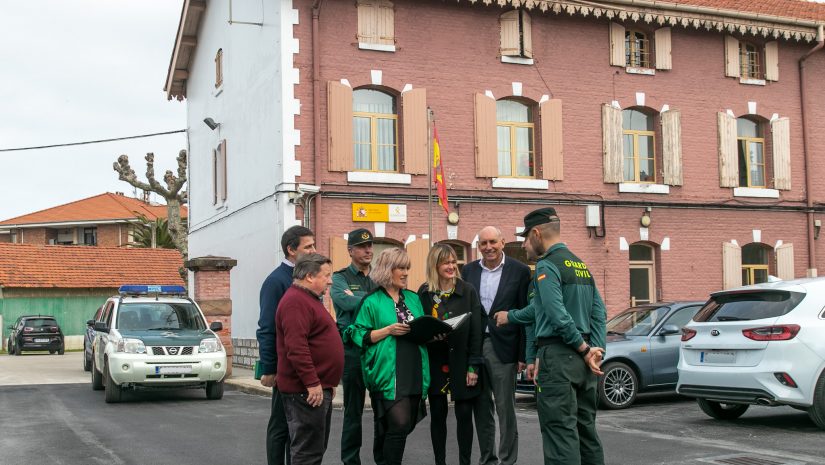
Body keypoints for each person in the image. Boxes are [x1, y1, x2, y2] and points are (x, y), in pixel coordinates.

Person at [495, 207, 607, 465]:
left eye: (525, 238)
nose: (524, 245)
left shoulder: (547, 265)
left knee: (560, 435)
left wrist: (581, 348)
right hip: (586, 364)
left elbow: (555, 314)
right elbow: (599, 312)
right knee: (586, 432)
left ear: (536, 234)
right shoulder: (580, 264)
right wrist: (596, 351)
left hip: (559, 359)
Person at [345, 248, 429, 465]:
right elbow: (357, 335)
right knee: (399, 424)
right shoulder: (371, 301)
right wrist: (387, 330)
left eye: (407, 268)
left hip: (414, 370)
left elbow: (421, 326)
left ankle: (382, 459)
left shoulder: (413, 298)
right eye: (400, 268)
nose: (405, 273)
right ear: (386, 270)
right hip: (388, 373)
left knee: (400, 426)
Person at [461, 226, 531, 465]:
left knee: (506, 410)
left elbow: (525, 313)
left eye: (493, 242)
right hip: (476, 347)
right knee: (481, 408)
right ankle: (487, 459)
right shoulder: (467, 270)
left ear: (502, 242)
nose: (488, 247)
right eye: (483, 243)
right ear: (478, 246)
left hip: (505, 348)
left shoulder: (520, 271)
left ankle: (507, 460)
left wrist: (523, 353)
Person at [417, 244, 484, 465]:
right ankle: (440, 462)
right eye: (446, 262)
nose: (451, 266)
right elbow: (418, 327)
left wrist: (474, 366)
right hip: (436, 361)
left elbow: (476, 331)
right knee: (438, 415)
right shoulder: (425, 292)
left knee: (465, 416)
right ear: (435, 265)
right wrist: (429, 336)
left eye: (454, 262)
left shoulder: (467, 290)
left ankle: (465, 462)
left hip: (462, 362)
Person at [276, 253, 345, 465]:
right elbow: (296, 348)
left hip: (316, 387)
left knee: (315, 448)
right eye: (326, 275)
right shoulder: (296, 302)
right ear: (309, 276)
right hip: (305, 392)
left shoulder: (308, 299)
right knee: (307, 453)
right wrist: (313, 383)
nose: (330, 280)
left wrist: (326, 382)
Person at [257, 225, 316, 465]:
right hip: (285, 368)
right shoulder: (276, 281)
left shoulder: (306, 279)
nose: (314, 250)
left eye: (314, 245)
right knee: (281, 425)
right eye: (308, 246)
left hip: (303, 365)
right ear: (291, 250)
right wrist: (269, 368)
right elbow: (267, 327)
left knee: (298, 427)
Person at [331, 228, 378, 465]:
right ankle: (351, 461)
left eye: (370, 245)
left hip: (378, 350)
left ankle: (383, 458)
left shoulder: (378, 278)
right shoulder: (340, 278)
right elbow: (344, 301)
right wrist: (374, 302)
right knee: (353, 413)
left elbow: (388, 304)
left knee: (383, 410)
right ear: (350, 250)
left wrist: (362, 301)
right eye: (362, 246)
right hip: (352, 352)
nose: (368, 250)